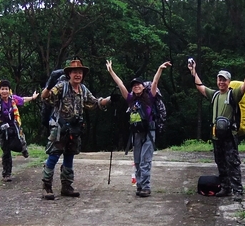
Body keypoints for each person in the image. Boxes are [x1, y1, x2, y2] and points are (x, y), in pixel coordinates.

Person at [39, 59, 111, 200]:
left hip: (74, 129)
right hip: (59, 128)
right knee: (53, 156)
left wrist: (109, 99)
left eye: (80, 72)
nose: (78, 75)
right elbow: (45, 98)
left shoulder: (83, 89)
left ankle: (67, 186)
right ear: (69, 74)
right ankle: (46, 186)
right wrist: (49, 85)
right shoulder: (61, 87)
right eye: (75, 72)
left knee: (69, 157)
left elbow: (95, 102)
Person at [189, 57, 245, 201]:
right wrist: (193, 71)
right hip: (217, 136)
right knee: (221, 162)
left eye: (224, 80)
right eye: (219, 79)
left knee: (233, 163)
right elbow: (200, 87)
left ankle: (238, 190)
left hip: (230, 136)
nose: (221, 82)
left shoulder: (233, 94)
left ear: (228, 82)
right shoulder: (215, 95)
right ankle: (226, 187)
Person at [106, 59, 169, 197]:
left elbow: (155, 82)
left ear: (143, 86)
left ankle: (145, 187)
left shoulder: (150, 96)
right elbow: (120, 84)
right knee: (137, 161)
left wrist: (159, 69)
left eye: (138, 84)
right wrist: (111, 71)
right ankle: (140, 186)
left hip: (149, 131)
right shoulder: (130, 99)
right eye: (134, 85)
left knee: (145, 160)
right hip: (136, 133)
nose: (136, 87)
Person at [0, 80, 39, 182]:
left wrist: (32, 98)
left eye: (6, 89)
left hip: (15, 127)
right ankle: (7, 174)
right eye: (2, 89)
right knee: (6, 152)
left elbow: (23, 99)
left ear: (9, 90)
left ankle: (23, 149)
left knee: (21, 143)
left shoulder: (13, 99)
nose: (4, 91)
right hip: (3, 130)